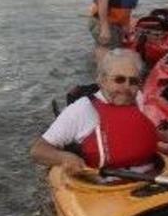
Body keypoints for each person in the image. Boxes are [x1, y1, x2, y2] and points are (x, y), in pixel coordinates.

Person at [30, 49, 160, 175]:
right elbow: (38, 150)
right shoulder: (82, 109)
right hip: (104, 183)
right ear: (102, 80)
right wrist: (65, 157)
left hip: (149, 176)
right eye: (119, 79)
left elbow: (139, 131)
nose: (126, 87)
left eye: (133, 81)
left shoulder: (139, 98)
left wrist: (163, 136)